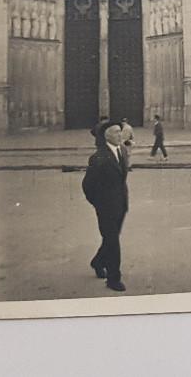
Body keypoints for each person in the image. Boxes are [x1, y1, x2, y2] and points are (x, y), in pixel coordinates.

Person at [82, 121, 130, 292]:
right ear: (107, 135)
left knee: (111, 238)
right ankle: (113, 278)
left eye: (120, 132)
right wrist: (100, 204)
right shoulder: (98, 158)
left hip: (121, 203)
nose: (120, 135)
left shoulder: (123, 150)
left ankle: (97, 261)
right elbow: (87, 186)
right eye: (116, 132)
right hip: (106, 208)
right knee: (113, 242)